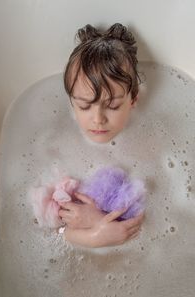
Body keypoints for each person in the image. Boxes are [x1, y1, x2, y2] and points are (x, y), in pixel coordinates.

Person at [59, 23, 144, 247]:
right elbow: (52, 230)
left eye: (113, 106)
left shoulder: (149, 145)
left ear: (133, 99)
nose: (98, 119)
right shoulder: (57, 148)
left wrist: (97, 223)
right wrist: (93, 234)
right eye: (85, 106)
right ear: (72, 103)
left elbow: (159, 215)